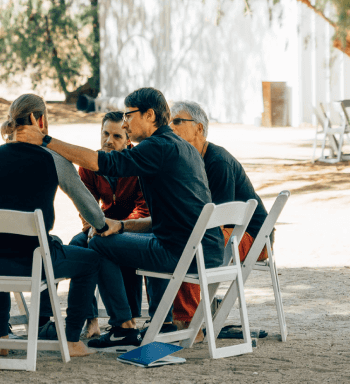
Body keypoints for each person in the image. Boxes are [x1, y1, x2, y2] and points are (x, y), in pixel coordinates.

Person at [15, 87, 225, 349]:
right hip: (209, 251)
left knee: (98, 243)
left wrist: (45, 140)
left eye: (129, 115)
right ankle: (138, 321)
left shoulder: (156, 146)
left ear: (149, 115)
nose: (125, 123)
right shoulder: (183, 147)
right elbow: (166, 219)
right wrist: (122, 225)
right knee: (110, 235)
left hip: (181, 253)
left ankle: (123, 327)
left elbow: (103, 162)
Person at [0, 93, 110, 357]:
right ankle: (71, 339)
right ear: (40, 120)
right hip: (32, 260)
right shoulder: (52, 157)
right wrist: (102, 226)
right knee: (91, 261)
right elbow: (90, 209)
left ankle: (1, 338)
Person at [169, 100, 272, 330]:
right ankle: (167, 318)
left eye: (177, 121)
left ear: (199, 129)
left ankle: (188, 325)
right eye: (169, 122)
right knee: (172, 241)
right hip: (222, 231)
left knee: (193, 244)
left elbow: (223, 221)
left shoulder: (217, 162)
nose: (171, 127)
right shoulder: (184, 161)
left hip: (252, 236)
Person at [69, 111, 150, 338]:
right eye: (105, 134)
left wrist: (117, 227)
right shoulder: (89, 165)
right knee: (78, 245)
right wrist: (91, 227)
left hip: (134, 227)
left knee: (103, 247)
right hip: (102, 225)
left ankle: (126, 321)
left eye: (116, 136)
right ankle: (91, 320)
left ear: (128, 140)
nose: (109, 141)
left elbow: (143, 210)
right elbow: (86, 205)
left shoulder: (139, 164)